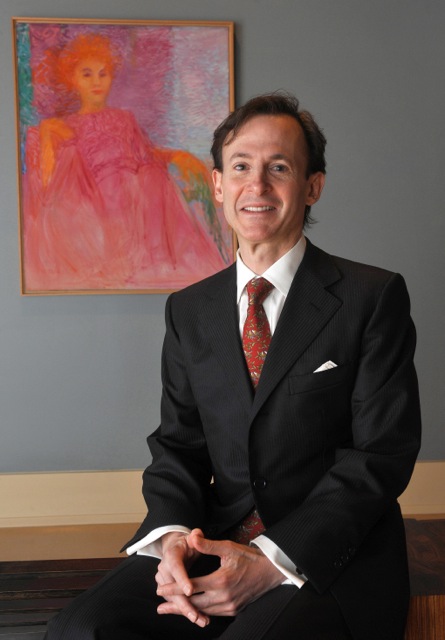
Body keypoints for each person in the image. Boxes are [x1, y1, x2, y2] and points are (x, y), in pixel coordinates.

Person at [44, 92, 421, 640]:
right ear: (218, 185)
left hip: (329, 556)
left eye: (279, 168)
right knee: (80, 629)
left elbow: (380, 455)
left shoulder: (372, 296)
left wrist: (270, 561)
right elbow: (179, 445)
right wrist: (172, 540)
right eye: (241, 167)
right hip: (214, 539)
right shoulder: (189, 310)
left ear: (313, 186)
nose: (257, 185)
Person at [23, 33, 228, 291]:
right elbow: (56, 176)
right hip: (97, 198)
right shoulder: (68, 126)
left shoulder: (124, 118)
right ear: (73, 79)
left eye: (103, 74)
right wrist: (47, 134)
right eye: (87, 74)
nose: (96, 82)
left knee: (151, 176)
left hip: (135, 191)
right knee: (132, 181)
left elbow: (147, 154)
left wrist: (176, 155)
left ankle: (156, 258)